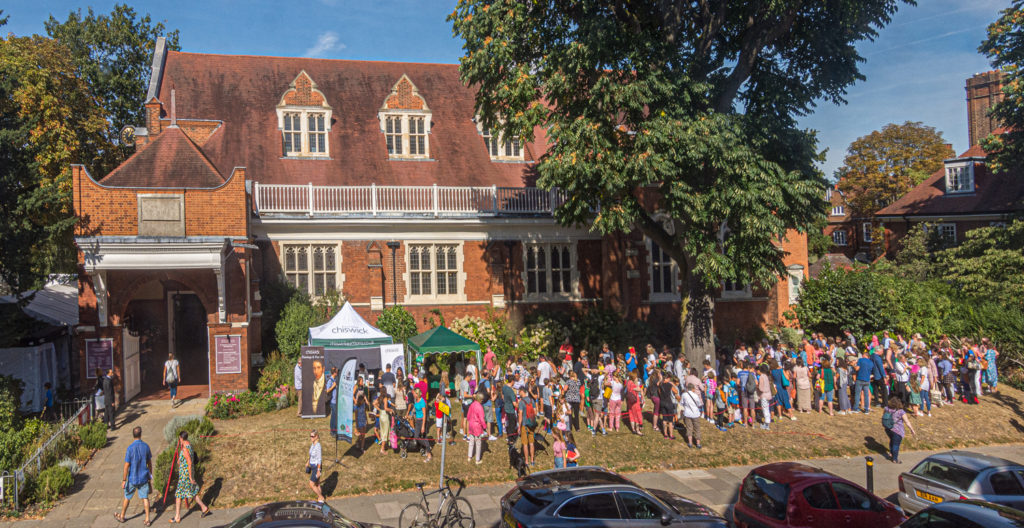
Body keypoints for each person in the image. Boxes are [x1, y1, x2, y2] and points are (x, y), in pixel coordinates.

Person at [115, 426, 152, 525]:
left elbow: (126, 466)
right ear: (141, 434)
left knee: (127, 497)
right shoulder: (146, 446)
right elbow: (150, 462)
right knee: (145, 498)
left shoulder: (130, 448)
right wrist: (150, 475)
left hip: (132, 478)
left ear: (133, 435)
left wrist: (124, 480)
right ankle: (147, 519)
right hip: (143, 477)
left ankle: (122, 516)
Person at [170, 431, 211, 522]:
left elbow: (189, 463)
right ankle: (204, 508)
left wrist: (190, 477)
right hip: (188, 474)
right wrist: (180, 460)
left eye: (179, 439)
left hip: (185, 476)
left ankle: (177, 517)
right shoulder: (189, 445)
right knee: (192, 493)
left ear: (181, 438)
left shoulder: (185, 448)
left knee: (178, 495)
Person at [883, 397, 915, 464]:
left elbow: (884, 416)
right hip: (897, 430)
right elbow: (907, 422)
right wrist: (912, 429)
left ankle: (891, 454)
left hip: (888, 429)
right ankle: (895, 459)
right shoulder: (901, 412)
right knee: (896, 444)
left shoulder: (886, 409)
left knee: (892, 441)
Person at [517, 386, 538, 467]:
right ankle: (532, 460)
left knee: (525, 444)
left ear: (522, 391)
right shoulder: (532, 400)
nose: (519, 393)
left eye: (519, 391)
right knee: (531, 443)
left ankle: (526, 461)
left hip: (524, 425)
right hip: (532, 424)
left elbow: (520, 415)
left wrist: (519, 426)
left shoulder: (521, 402)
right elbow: (535, 412)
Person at [680, 382, 703, 449]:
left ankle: (690, 443)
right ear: (693, 389)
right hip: (695, 414)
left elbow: (681, 403)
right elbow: (699, 404)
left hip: (687, 413)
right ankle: (698, 443)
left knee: (689, 428)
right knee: (697, 429)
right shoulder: (695, 395)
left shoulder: (684, 395)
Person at [466, 392, 486, 465]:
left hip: (471, 424)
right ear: (480, 399)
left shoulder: (472, 404)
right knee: (478, 443)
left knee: (471, 441)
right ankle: (477, 460)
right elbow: (481, 418)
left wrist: (469, 420)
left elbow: (468, 415)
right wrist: (484, 426)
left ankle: (469, 456)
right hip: (477, 426)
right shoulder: (480, 407)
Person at [306, 430, 325, 502]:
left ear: (316, 436)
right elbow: (311, 454)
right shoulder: (313, 444)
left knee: (311, 484)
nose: (311, 438)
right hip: (312, 466)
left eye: (312, 436)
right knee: (317, 484)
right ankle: (320, 499)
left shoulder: (318, 446)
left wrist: (318, 470)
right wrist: (308, 462)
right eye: (310, 436)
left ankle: (321, 497)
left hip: (316, 467)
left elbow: (319, 459)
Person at [325, 367, 338, 437]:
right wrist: (333, 386)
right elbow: (327, 390)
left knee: (334, 416)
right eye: (337, 371)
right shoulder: (330, 380)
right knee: (333, 416)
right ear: (334, 373)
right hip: (332, 401)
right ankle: (332, 431)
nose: (337, 373)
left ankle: (334, 430)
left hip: (335, 401)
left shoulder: (334, 379)